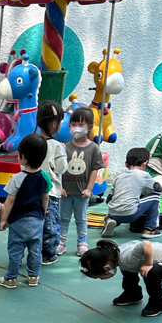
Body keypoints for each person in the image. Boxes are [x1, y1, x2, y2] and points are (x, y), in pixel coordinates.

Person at [80, 237, 162, 318]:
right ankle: (133, 295)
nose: (102, 279)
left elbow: (146, 244)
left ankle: (158, 303)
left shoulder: (126, 259)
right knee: (127, 269)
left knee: (150, 272)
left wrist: (148, 264)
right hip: (139, 261)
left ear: (107, 268)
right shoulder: (116, 254)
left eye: (100, 277)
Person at [0, 133, 51, 288]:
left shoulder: (17, 178)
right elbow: (45, 198)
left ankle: (11, 279)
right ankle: (33, 276)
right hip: (37, 220)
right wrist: (42, 215)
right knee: (35, 250)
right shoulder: (45, 177)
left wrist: (3, 219)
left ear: (23, 157)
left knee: (15, 250)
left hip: (18, 220)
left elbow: (10, 200)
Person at [59, 107, 102, 256]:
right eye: (73, 124)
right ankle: (61, 241)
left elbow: (95, 169)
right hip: (65, 192)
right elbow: (59, 168)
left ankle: (82, 242)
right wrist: (60, 187)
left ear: (89, 127)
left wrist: (89, 189)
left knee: (81, 218)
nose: (76, 127)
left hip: (82, 193)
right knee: (63, 218)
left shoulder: (94, 148)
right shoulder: (65, 147)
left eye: (81, 124)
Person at [101, 148, 161, 238]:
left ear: (126, 164)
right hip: (130, 215)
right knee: (155, 198)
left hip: (113, 214)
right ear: (145, 163)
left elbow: (109, 199)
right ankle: (150, 229)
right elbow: (157, 189)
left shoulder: (119, 177)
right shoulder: (144, 175)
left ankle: (108, 220)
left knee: (117, 205)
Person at [36, 101, 67, 265]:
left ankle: (33, 252)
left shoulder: (31, 141)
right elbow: (62, 168)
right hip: (51, 192)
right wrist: (64, 152)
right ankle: (48, 254)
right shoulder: (56, 145)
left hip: (30, 190)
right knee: (50, 224)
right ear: (54, 123)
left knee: (33, 222)